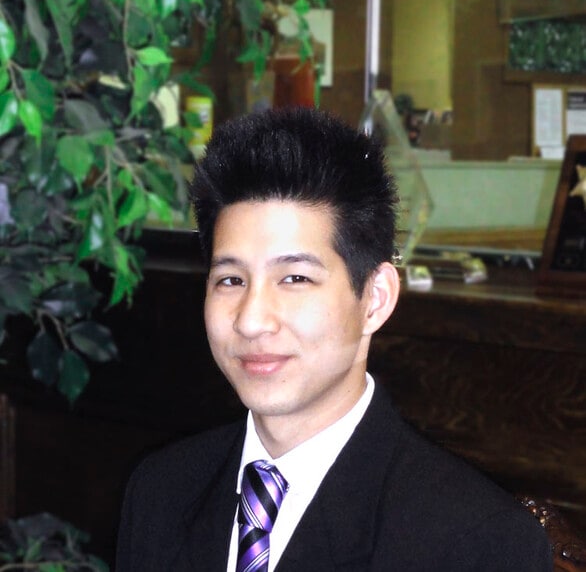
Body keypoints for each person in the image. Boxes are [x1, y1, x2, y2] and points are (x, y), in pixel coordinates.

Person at [115, 108, 552, 571]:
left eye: (295, 278)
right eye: (231, 280)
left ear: (375, 299)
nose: (252, 320)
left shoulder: (475, 541)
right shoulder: (162, 491)